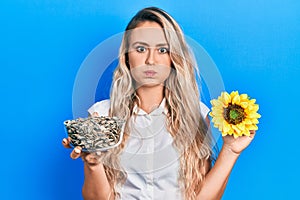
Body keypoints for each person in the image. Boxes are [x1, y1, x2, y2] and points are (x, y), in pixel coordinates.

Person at [62, 7, 256, 200]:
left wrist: (230, 151)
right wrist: (93, 164)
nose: (151, 60)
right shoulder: (102, 115)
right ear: (127, 56)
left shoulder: (197, 114)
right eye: (141, 49)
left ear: (173, 58)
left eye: (162, 50)